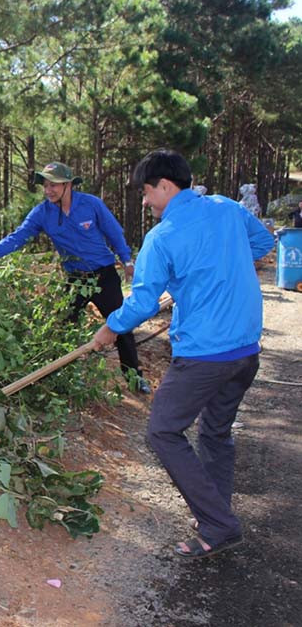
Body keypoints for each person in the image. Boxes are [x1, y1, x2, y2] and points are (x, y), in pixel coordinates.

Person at [92, 149, 274, 559]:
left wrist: (108, 330)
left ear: (166, 186)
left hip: (205, 356)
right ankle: (216, 512)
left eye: (146, 192)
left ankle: (219, 524)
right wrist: (214, 271)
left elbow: (141, 303)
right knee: (214, 431)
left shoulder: (163, 237)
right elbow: (262, 241)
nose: (144, 201)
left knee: (162, 431)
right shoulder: (227, 208)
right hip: (246, 351)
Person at [0, 161, 150, 393]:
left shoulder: (91, 204)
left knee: (121, 326)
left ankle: (134, 378)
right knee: (63, 327)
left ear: (68, 184)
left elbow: (114, 232)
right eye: (46, 185)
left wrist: (127, 260)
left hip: (104, 276)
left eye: (54, 185)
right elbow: (18, 237)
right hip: (74, 280)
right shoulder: (42, 213)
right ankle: (60, 379)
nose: (48, 190)